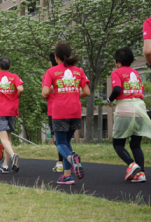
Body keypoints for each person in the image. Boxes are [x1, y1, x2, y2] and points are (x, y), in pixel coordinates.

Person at [42, 42, 89, 185]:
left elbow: (44, 92)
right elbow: (86, 92)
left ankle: (71, 158)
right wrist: (73, 93)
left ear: (56, 58)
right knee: (67, 142)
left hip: (60, 111)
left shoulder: (51, 71)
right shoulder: (79, 71)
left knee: (59, 143)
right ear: (69, 56)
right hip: (75, 111)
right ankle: (67, 176)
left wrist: (51, 91)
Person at [110, 47, 149, 183]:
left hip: (125, 109)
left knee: (118, 143)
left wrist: (109, 100)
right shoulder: (137, 74)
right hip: (139, 109)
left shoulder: (117, 72)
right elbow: (141, 92)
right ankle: (141, 173)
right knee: (136, 144)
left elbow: (117, 89)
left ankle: (132, 165)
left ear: (118, 61)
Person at [46, 53, 65, 173]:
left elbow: (45, 93)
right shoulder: (70, 72)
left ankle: (63, 160)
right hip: (68, 108)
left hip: (53, 110)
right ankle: (63, 161)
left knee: (57, 138)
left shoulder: (49, 73)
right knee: (63, 138)